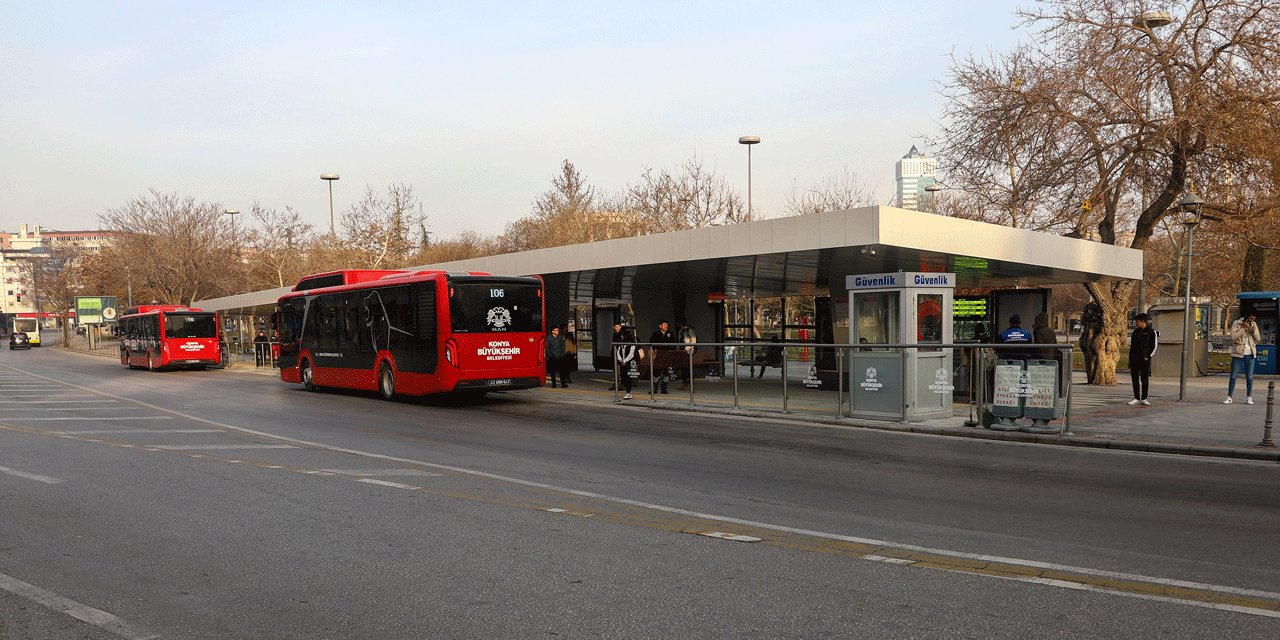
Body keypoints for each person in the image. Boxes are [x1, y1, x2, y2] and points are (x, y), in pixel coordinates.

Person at [1224, 311, 1261, 405]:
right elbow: (1233, 337)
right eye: (1251, 318)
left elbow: (1258, 339)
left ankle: (1249, 397)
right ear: (1247, 317)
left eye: (1254, 319)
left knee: (1249, 376)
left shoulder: (1254, 324)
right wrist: (1243, 329)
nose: (1252, 320)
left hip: (1250, 353)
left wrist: (1253, 332)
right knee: (1233, 376)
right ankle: (1229, 397)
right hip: (1238, 353)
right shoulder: (1237, 323)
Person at [1127, 313, 1156, 406]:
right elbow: (1132, 346)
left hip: (1145, 359)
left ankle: (1144, 398)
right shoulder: (1135, 332)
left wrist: (1148, 356)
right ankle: (1136, 397)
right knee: (1134, 379)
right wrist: (1130, 358)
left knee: (1144, 379)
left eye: (1137, 322)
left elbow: (1154, 346)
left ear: (1143, 321)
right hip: (1134, 359)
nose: (1136, 323)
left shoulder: (1151, 332)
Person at [649, 320, 676, 394]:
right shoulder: (656, 334)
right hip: (659, 354)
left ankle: (664, 389)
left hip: (667, 354)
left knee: (666, 373)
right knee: (656, 372)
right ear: (660, 326)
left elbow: (674, 343)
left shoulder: (670, 333)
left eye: (667, 324)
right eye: (664, 324)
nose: (666, 326)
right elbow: (651, 342)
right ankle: (654, 388)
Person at [614, 328, 637, 400]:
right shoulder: (621, 344)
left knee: (628, 377)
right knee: (623, 377)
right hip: (622, 363)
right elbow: (618, 352)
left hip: (628, 363)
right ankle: (627, 392)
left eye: (622, 335)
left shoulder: (631, 344)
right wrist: (621, 360)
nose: (621, 336)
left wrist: (625, 360)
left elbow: (631, 354)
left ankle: (628, 392)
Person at [607, 321, 625, 391]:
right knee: (615, 369)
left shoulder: (622, 334)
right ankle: (616, 384)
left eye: (618, 327)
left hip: (620, 353)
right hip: (614, 352)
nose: (617, 328)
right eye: (616, 327)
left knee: (621, 369)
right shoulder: (614, 334)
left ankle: (622, 384)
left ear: (620, 327)